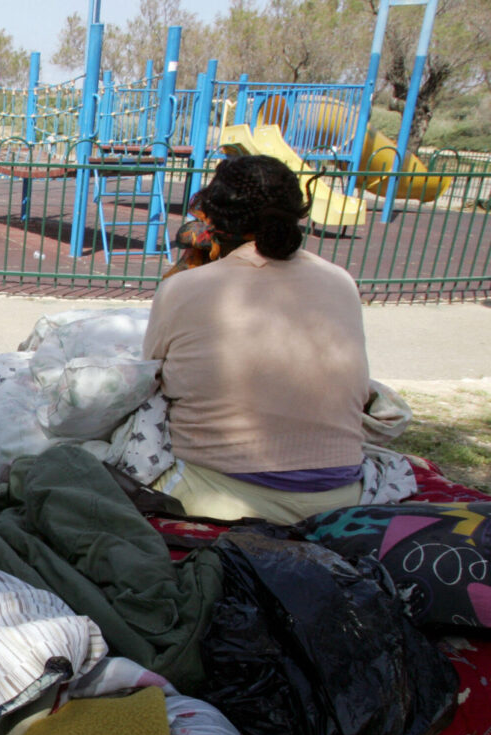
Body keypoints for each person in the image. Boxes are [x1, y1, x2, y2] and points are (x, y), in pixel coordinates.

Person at [143, 155, 369, 525]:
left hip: (219, 494)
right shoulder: (341, 281)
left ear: (212, 220)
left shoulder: (182, 287)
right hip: (340, 496)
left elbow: (151, 377)